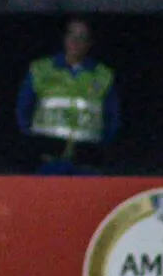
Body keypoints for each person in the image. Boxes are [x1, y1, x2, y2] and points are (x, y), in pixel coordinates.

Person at [16, 17, 120, 175]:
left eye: (82, 37)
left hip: (86, 163)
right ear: (64, 38)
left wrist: (97, 148)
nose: (75, 41)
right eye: (71, 35)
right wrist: (35, 144)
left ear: (89, 43)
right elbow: (23, 110)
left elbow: (112, 119)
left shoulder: (103, 76)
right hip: (48, 160)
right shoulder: (41, 69)